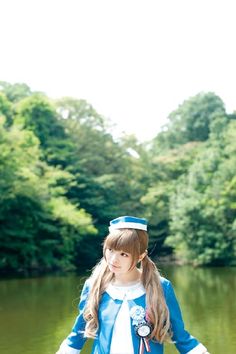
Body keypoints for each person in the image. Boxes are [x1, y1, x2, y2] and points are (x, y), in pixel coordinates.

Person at [56, 215, 210, 354]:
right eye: (110, 250)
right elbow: (79, 332)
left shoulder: (160, 287)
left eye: (124, 254)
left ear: (140, 256)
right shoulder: (95, 286)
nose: (113, 259)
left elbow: (179, 335)